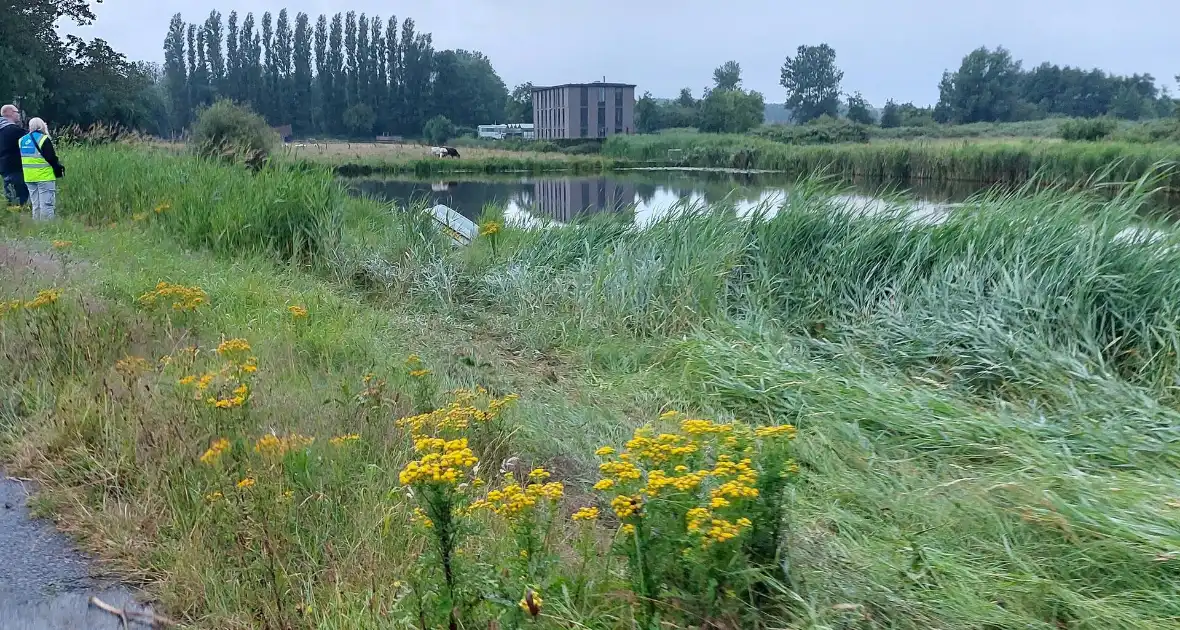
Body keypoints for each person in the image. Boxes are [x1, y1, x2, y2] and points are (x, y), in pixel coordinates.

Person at [20, 117, 65, 221]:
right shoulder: (43, 139)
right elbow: (51, 158)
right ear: (42, 126)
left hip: (29, 177)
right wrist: (59, 168)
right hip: (44, 176)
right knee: (47, 204)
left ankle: (37, 227)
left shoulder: (22, 140)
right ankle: (47, 227)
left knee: (36, 205)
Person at [0, 104, 29, 206]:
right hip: (16, 167)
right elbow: (31, 140)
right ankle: (22, 217)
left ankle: (13, 216)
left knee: (11, 195)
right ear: (10, 113)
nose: (19, 115)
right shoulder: (14, 130)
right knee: (21, 197)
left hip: (4, 167)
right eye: (17, 112)